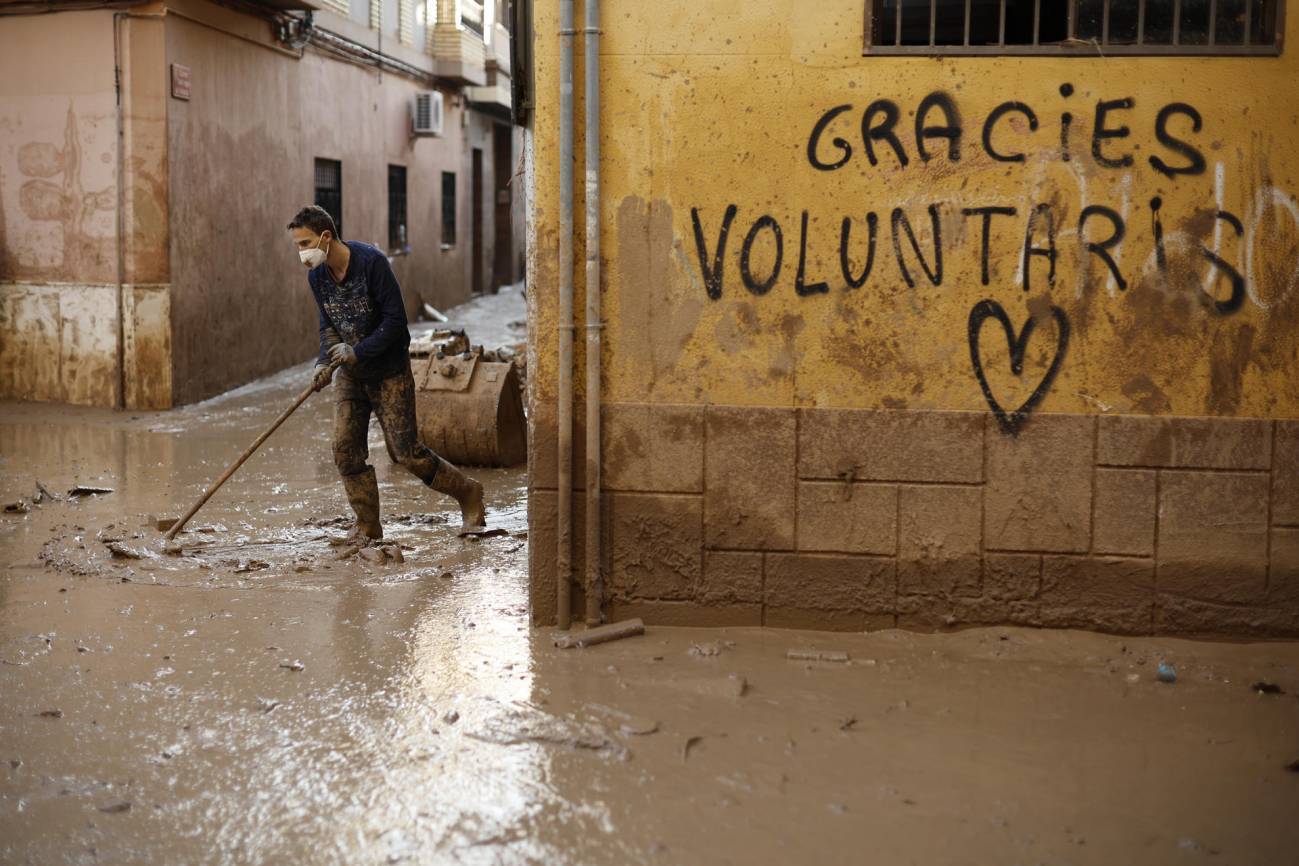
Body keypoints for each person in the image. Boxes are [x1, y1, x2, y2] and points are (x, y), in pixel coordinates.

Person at [286, 205, 485, 540]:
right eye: (297, 246)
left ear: (325, 236)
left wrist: (358, 351)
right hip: (351, 375)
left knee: (407, 453)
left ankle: (468, 493)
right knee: (345, 449)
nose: (302, 253)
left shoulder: (371, 263)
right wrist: (324, 362)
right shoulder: (317, 277)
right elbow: (328, 326)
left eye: (305, 243)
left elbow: (396, 322)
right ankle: (367, 524)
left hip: (389, 370)